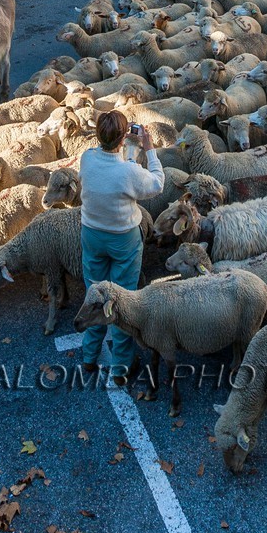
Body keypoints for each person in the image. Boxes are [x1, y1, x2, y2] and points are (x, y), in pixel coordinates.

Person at [79, 110, 164, 380]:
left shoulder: (87, 158)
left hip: (92, 234)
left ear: (98, 135)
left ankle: (89, 356)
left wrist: (127, 153)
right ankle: (121, 367)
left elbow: (112, 170)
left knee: (94, 292)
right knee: (122, 299)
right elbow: (157, 184)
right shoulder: (129, 172)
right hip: (122, 238)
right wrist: (149, 149)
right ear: (123, 136)